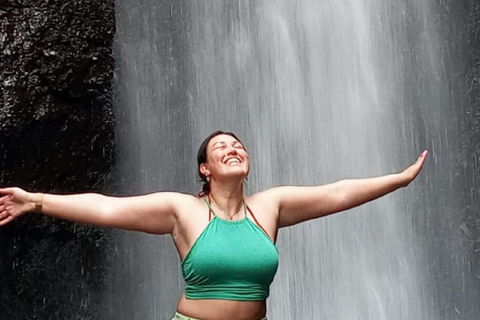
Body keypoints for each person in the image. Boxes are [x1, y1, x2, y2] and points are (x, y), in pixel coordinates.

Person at [0, 130, 428, 320]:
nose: (233, 147)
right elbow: (108, 209)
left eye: (238, 144)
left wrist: (400, 179)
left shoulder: (271, 206)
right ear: (205, 168)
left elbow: (337, 193)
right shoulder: (182, 210)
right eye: (220, 146)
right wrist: (36, 201)